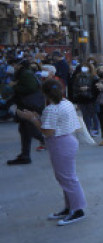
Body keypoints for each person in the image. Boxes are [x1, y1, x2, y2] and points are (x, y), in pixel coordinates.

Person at [18, 79, 88, 225]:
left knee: (67, 178)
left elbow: (48, 131)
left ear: (44, 93)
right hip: (67, 140)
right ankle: (70, 207)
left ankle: (78, 210)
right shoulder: (66, 102)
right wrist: (37, 116)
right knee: (65, 178)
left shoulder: (52, 108)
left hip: (60, 143)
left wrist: (32, 119)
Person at [7, 61, 46, 165]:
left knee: (28, 129)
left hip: (29, 105)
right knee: (25, 129)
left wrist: (14, 86)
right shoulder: (24, 74)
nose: (13, 67)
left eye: (14, 65)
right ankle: (25, 154)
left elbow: (31, 88)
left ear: (19, 65)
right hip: (27, 104)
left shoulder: (26, 74)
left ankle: (43, 141)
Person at [69, 62, 100, 136]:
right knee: (85, 115)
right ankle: (88, 130)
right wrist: (78, 93)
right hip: (81, 98)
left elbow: (96, 88)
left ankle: (96, 128)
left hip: (91, 98)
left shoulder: (94, 77)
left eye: (86, 67)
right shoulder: (78, 77)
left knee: (93, 114)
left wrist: (88, 88)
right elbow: (74, 88)